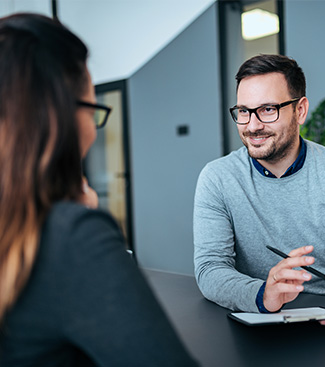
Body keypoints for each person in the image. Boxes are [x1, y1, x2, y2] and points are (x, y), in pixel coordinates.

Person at [0, 13, 199, 366]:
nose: (93, 129)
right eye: (93, 109)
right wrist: (82, 221)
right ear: (60, 116)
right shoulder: (71, 238)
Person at [194, 54, 325, 338]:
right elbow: (211, 268)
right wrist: (263, 294)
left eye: (267, 110)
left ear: (300, 110)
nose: (252, 125)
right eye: (244, 111)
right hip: (257, 321)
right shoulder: (217, 178)